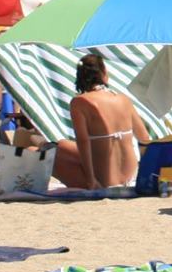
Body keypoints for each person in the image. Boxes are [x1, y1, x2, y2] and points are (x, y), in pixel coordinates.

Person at [53, 53, 142, 190]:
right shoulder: (123, 99)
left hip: (103, 180)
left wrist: (90, 179)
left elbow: (83, 142)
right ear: (103, 73)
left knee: (48, 157)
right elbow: (144, 138)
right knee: (61, 144)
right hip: (132, 176)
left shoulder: (80, 102)